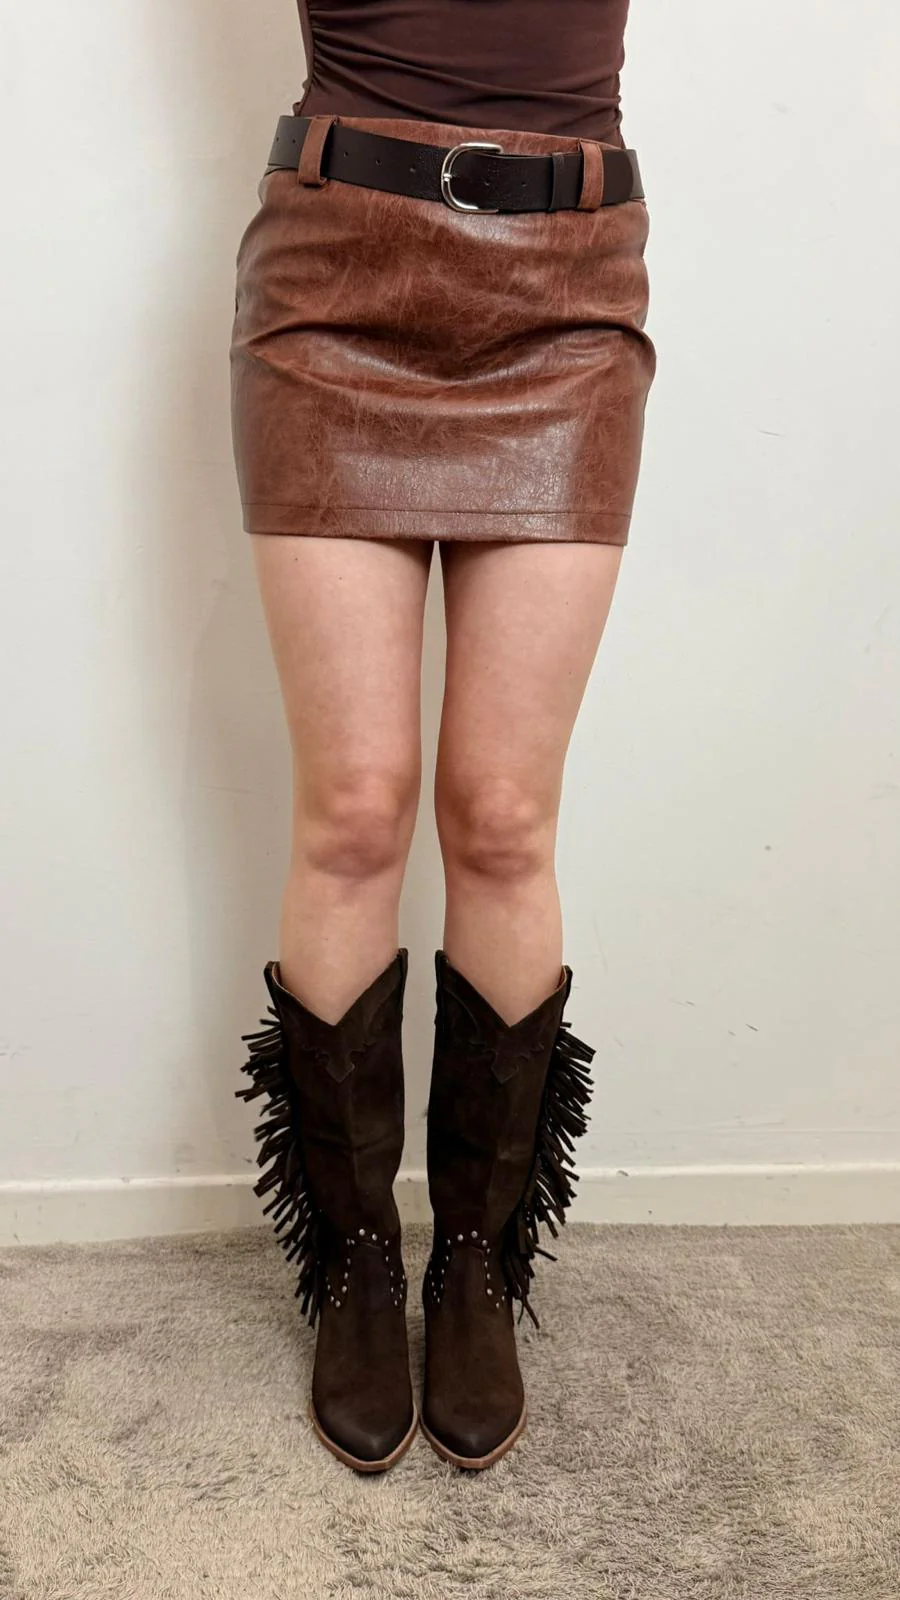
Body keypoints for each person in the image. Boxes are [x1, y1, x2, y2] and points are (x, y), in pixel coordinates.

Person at [230, 0, 655, 1474]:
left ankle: (474, 1260)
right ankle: (357, 1259)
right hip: (337, 269)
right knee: (355, 805)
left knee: (501, 815)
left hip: (567, 282)